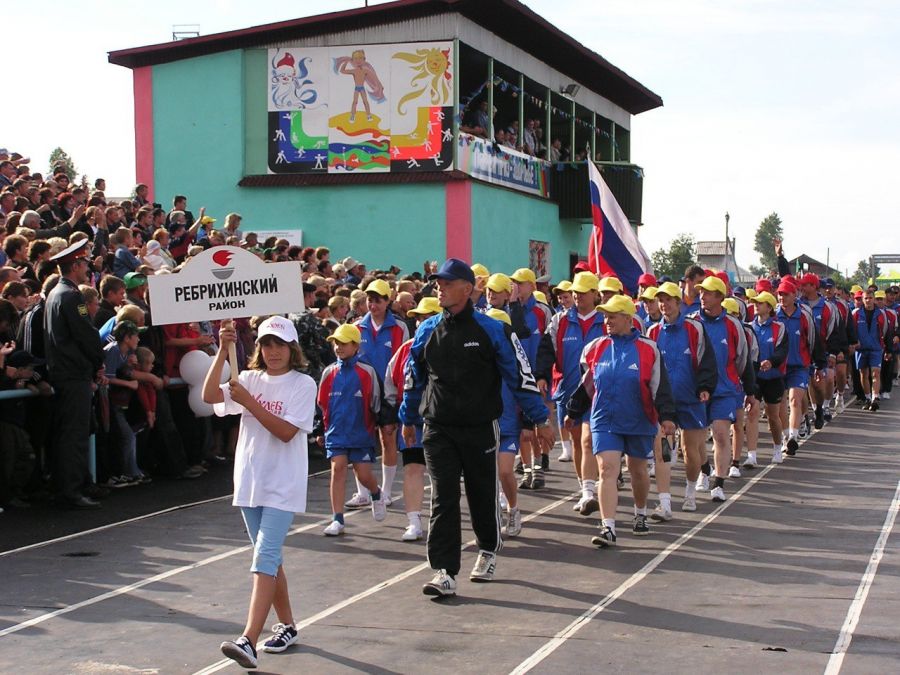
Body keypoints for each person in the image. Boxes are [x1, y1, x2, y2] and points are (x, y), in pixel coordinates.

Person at [399, 259, 550, 597]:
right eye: (438, 282)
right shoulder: (426, 330)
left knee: (482, 494)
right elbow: (414, 379)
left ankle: (487, 549)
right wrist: (408, 419)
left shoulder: (493, 330)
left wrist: (539, 419)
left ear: (467, 289)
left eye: (447, 283)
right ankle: (444, 571)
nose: (439, 287)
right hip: (438, 427)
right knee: (444, 496)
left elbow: (520, 377)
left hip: (480, 426)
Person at [203, 317, 316, 669]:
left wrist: (251, 403)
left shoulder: (303, 384)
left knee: (264, 557)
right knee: (269, 559)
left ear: (292, 348)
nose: (273, 351)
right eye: (266, 344)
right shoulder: (247, 378)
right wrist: (222, 351)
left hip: (283, 483)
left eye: (280, 345)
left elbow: (285, 432)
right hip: (250, 482)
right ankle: (287, 625)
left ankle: (248, 639)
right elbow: (208, 396)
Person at [567, 294, 677, 547]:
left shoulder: (648, 348)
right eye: (605, 316)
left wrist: (667, 417)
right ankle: (608, 527)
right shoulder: (595, 348)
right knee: (607, 469)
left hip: (639, 419)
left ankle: (640, 513)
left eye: (612, 316)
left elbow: (660, 386)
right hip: (604, 419)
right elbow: (586, 385)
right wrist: (574, 411)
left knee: (638, 471)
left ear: (628, 319)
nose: (607, 321)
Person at [43, 240, 105, 509]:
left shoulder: (56, 293)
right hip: (73, 373)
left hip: (65, 371)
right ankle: (71, 489)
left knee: (70, 432)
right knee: (75, 433)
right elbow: (85, 335)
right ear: (76, 266)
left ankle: (74, 483)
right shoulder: (71, 295)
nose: (86, 269)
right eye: (84, 265)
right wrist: (98, 360)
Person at [536, 271, 605, 512]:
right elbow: (546, 349)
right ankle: (585, 487)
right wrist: (543, 376)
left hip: (598, 393)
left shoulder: (605, 320)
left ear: (595, 294)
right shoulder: (560, 320)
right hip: (568, 390)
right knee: (577, 440)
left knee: (589, 440)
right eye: (575, 292)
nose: (577, 297)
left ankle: (591, 489)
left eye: (583, 293)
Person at [647, 281, 717, 515]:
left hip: (691, 399)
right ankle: (665, 502)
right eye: (660, 300)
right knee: (662, 450)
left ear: (678, 302)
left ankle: (690, 493)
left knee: (690, 449)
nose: (663, 304)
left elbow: (707, 359)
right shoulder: (653, 332)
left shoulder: (694, 329)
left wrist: (705, 387)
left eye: (668, 299)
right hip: (664, 403)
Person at [317, 323, 388, 535]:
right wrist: (320, 431)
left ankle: (376, 493)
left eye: (344, 343)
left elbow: (377, 402)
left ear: (356, 346)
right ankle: (337, 519)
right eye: (336, 343)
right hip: (336, 433)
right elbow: (321, 404)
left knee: (364, 475)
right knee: (337, 468)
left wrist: (381, 426)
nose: (338, 347)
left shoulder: (367, 372)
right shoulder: (329, 372)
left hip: (361, 433)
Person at [384, 296, 442, 541]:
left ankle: (445, 522)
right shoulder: (406, 349)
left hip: (445, 421)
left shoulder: (450, 344)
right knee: (413, 468)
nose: (421, 322)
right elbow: (391, 382)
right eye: (418, 318)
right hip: (415, 422)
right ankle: (414, 522)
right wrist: (403, 415)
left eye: (427, 317)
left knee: (443, 474)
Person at [692, 275, 755, 502]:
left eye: (707, 293)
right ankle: (703, 469)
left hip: (725, 389)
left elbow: (742, 359)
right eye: (701, 292)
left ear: (720, 297)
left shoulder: (733, 325)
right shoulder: (692, 322)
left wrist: (749, 389)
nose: (702, 296)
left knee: (720, 432)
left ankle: (718, 483)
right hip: (697, 389)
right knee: (697, 437)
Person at [749, 291, 788, 464]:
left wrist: (772, 362)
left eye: (760, 303)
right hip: (755, 378)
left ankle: (777, 448)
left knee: (773, 416)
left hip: (774, 377)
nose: (756, 305)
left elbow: (782, 350)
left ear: (770, 307)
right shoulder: (749, 327)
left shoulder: (779, 327)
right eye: (755, 302)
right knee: (752, 412)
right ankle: (752, 455)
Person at [852, 289, 888, 411]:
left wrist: (886, 347)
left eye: (870, 298)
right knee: (863, 374)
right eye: (866, 298)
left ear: (874, 299)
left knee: (875, 373)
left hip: (876, 349)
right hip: (861, 349)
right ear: (862, 300)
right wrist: (854, 342)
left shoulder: (881, 313)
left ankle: (875, 398)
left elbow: (885, 330)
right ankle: (867, 398)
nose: (868, 300)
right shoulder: (856, 313)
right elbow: (851, 330)